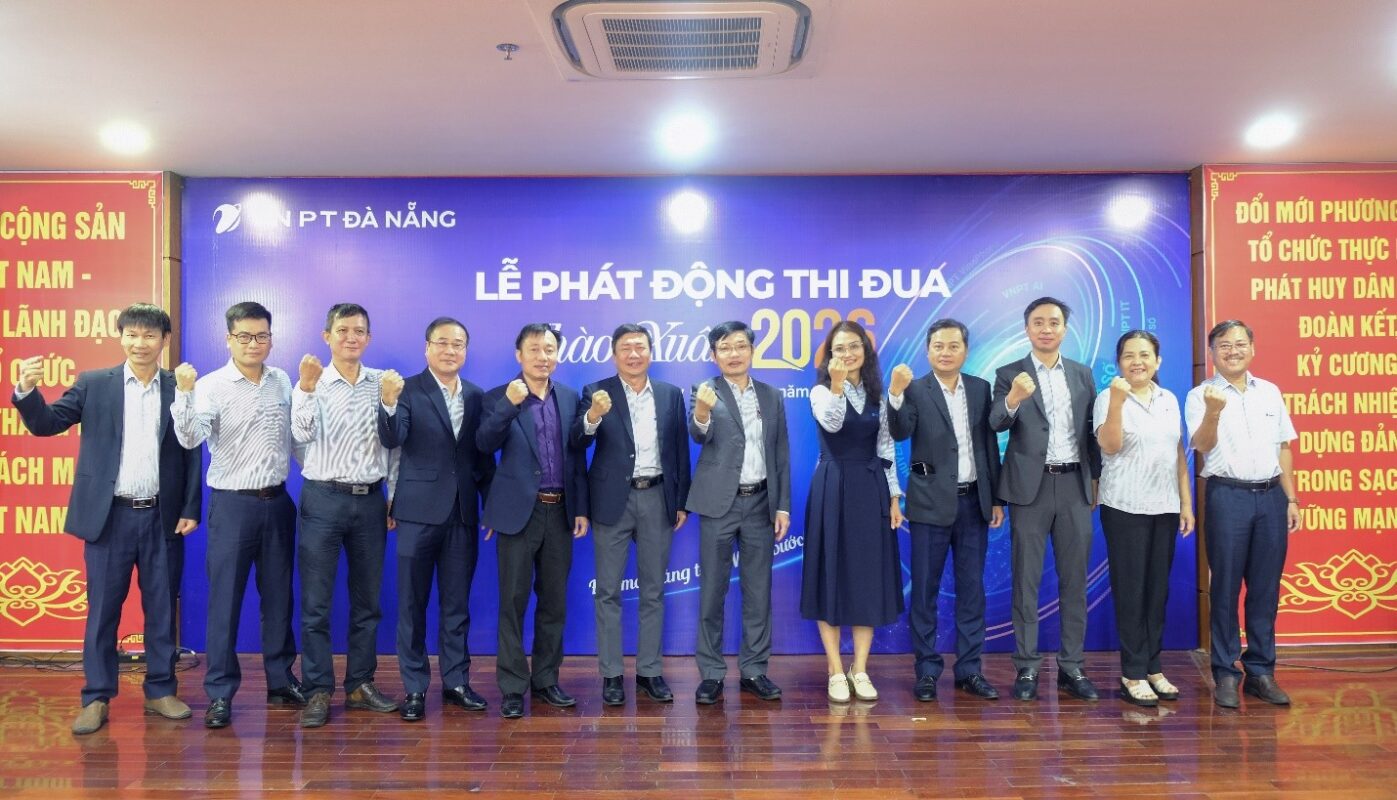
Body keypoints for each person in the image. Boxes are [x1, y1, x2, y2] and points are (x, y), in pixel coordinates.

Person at [11, 303, 202, 735]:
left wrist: (190, 507)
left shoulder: (179, 387)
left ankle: (160, 690)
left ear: (165, 340)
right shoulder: (94, 383)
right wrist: (26, 390)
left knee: (161, 609)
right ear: (120, 337)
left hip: (162, 517)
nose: (140, 343)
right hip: (109, 518)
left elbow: (192, 451)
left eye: (149, 335)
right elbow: (47, 423)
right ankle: (96, 697)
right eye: (132, 334)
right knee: (102, 613)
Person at [171, 301, 303, 729]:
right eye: (244, 336)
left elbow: (296, 437)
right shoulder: (210, 385)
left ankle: (281, 681)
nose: (253, 343)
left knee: (279, 599)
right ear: (229, 339)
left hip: (278, 503)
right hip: (232, 506)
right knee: (225, 602)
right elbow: (190, 438)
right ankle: (220, 693)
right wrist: (184, 394)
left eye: (261, 335)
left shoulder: (282, 380)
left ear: (271, 338)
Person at [377, 317, 495, 721]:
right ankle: (414, 688)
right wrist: (388, 403)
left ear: (466, 351)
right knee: (412, 605)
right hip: (416, 513)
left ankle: (456, 682)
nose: (450, 350)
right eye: (442, 343)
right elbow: (392, 438)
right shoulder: (407, 390)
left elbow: (482, 458)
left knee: (456, 605)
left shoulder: (477, 396)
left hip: (463, 513)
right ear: (427, 347)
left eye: (457, 344)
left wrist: (491, 506)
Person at [989, 296, 1102, 702]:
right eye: (1038, 322)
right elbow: (995, 422)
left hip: (1074, 486)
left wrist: (1095, 481)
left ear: (1064, 329)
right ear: (1027, 329)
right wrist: (1014, 398)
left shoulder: (1082, 374)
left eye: (1054, 322)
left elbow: (1091, 432)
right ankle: (1027, 666)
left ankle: (1072, 666)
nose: (1046, 329)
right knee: (1026, 581)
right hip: (1028, 490)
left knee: (1075, 581)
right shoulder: (1009, 374)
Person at [291, 302, 399, 727]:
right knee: (316, 604)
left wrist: (393, 496)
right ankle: (318, 689)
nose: (351, 337)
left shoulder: (384, 382)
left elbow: (395, 445)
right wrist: (305, 388)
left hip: (371, 500)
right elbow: (300, 435)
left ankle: (359, 684)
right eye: (342, 330)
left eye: (359, 331)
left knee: (367, 602)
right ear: (327, 336)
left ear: (368, 338)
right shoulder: (311, 380)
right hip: (323, 499)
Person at [573, 323, 692, 706]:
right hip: (612, 501)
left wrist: (680, 500)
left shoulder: (670, 394)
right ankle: (611, 675)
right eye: (626, 348)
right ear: (614, 354)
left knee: (653, 591)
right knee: (608, 591)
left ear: (650, 353)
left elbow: (679, 451)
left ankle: (649, 672)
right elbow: (578, 441)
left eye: (640, 347)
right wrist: (593, 415)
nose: (634, 354)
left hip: (657, 497)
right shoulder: (596, 391)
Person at [477, 323, 589, 719]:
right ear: (519, 354)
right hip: (517, 515)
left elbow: (576, 456)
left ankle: (545, 680)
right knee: (512, 603)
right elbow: (483, 445)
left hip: (559, 511)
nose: (543, 356)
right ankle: (512, 687)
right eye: (535, 349)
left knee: (554, 603)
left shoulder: (570, 397)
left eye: (550, 349)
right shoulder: (499, 396)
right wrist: (508, 406)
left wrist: (580, 507)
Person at [887, 318, 1003, 702]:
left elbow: (988, 446)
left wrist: (996, 498)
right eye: (938, 346)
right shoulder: (914, 389)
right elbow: (900, 431)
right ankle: (926, 670)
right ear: (928, 350)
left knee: (972, 591)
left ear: (965, 350)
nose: (946, 352)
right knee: (925, 591)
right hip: (929, 505)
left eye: (954, 346)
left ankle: (970, 670)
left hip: (974, 503)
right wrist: (895, 394)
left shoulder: (980, 388)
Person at [1185, 320, 1299, 709]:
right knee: (1225, 587)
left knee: (1265, 589)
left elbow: (1283, 447)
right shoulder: (1201, 395)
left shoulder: (1269, 392)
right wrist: (1214, 412)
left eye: (1239, 344)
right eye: (1224, 345)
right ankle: (1225, 673)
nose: (1232, 351)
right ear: (1212, 353)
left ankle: (1261, 671)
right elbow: (1201, 446)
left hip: (1271, 498)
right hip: (1227, 496)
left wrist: (1291, 498)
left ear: (1252, 347)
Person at [686, 320, 791, 705]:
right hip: (719, 504)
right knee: (713, 590)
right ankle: (712, 673)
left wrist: (782, 505)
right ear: (714, 355)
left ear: (752, 350)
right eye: (725, 348)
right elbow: (699, 433)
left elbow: (780, 453)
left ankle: (754, 670)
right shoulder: (705, 391)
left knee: (758, 591)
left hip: (761, 502)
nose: (734, 354)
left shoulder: (771, 396)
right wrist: (701, 411)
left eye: (740, 346)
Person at [802, 321, 904, 703]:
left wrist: (894, 497)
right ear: (830, 356)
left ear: (866, 350)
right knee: (830, 574)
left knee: (867, 578)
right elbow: (832, 423)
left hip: (870, 485)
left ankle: (859, 668)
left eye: (854, 346)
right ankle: (834, 669)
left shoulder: (879, 395)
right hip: (832, 485)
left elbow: (887, 448)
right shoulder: (820, 391)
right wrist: (837, 384)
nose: (848, 354)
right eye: (839, 348)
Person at [1094, 330, 1194, 707]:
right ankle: (1132, 673)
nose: (1137, 362)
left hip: (1164, 506)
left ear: (1157, 360)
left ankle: (1153, 667)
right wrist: (1118, 403)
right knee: (1132, 591)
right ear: (1119, 362)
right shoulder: (1108, 397)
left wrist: (1185, 503)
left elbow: (1177, 453)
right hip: (1125, 507)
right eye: (1129, 356)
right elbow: (1109, 446)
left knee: (1156, 591)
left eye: (1145, 355)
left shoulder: (1168, 399)